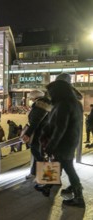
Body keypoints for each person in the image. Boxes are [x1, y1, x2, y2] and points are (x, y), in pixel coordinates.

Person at [40, 79, 85, 208]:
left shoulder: (64, 104)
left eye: (51, 92)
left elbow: (60, 127)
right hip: (70, 140)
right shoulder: (74, 103)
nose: (50, 95)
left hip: (63, 142)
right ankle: (47, 186)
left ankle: (78, 196)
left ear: (58, 92)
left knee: (68, 168)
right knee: (57, 164)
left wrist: (51, 145)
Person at [21, 90, 51, 181]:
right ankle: (34, 173)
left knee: (39, 155)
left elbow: (35, 122)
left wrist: (27, 134)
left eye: (31, 97)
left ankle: (47, 177)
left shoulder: (40, 106)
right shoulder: (42, 104)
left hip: (40, 134)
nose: (30, 99)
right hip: (42, 133)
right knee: (37, 154)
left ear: (35, 97)